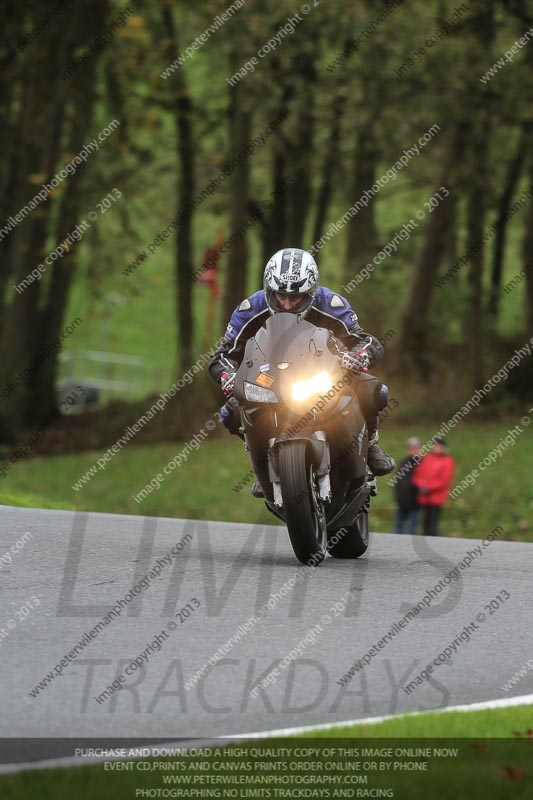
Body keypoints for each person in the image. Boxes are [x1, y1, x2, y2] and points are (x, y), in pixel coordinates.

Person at [208, 247, 395, 495]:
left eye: (295, 298)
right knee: (230, 412)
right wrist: (228, 376)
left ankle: (370, 446)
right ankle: (264, 465)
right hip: (269, 378)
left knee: (373, 390)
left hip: (323, 374)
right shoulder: (250, 309)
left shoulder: (330, 303)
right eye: (279, 296)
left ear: (311, 291)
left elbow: (365, 340)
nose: (286, 304)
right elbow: (222, 355)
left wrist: (356, 356)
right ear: (268, 290)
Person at [412, 437, 455, 536]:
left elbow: (444, 480)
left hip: (436, 497)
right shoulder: (428, 458)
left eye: (438, 446)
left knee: (433, 522)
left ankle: (434, 541)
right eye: (434, 446)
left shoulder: (447, 461)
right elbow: (419, 474)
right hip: (424, 497)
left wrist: (428, 487)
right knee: (425, 523)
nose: (436, 448)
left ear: (443, 447)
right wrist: (421, 485)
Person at [393, 437, 421, 535]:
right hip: (401, 500)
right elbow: (397, 480)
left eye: (415, 448)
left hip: (415, 502)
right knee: (398, 527)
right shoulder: (403, 462)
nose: (413, 450)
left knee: (411, 529)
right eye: (411, 448)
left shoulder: (422, 463)